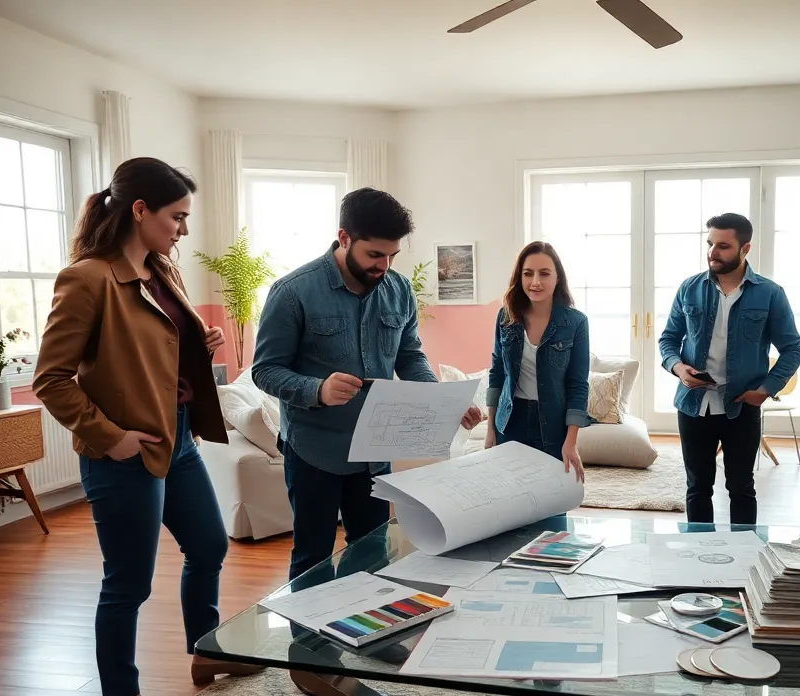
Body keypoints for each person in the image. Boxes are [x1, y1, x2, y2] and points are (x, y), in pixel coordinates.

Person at [33, 157, 262, 696]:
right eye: (176, 217)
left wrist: (198, 340)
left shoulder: (163, 271)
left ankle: (205, 651)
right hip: (125, 452)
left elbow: (157, 347)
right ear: (140, 210)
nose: (183, 230)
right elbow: (51, 379)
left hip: (179, 437)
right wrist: (112, 439)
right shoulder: (87, 279)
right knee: (129, 583)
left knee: (209, 546)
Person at [252, 188, 482, 584]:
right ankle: (307, 647)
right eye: (374, 255)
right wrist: (317, 389)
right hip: (313, 452)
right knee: (311, 559)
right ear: (344, 238)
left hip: (376, 454)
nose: (384, 264)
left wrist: (440, 399)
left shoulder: (399, 290)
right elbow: (265, 370)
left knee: (372, 555)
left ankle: (367, 644)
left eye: (392, 255)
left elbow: (409, 355)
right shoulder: (292, 292)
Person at [658, 213, 800, 525]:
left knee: (741, 487)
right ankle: (698, 558)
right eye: (710, 243)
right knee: (697, 487)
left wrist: (765, 390)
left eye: (723, 246)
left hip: (741, 406)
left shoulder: (770, 293)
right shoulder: (689, 289)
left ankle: (744, 559)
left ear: (745, 248)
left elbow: (792, 349)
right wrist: (679, 369)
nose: (713, 251)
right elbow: (668, 339)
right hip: (694, 405)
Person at [484, 242, 591, 479]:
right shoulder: (505, 316)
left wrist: (571, 441)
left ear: (558, 278)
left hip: (552, 424)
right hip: (510, 422)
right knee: (510, 505)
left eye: (544, 274)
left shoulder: (576, 323)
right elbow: (497, 372)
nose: (535, 282)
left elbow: (578, 385)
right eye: (528, 273)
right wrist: (490, 428)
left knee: (551, 503)